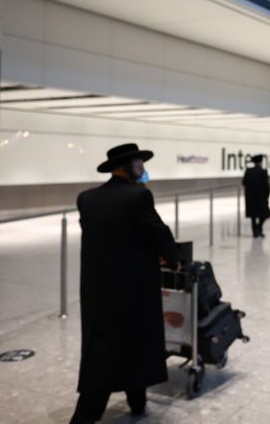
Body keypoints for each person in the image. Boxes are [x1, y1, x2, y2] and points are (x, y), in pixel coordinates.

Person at [71, 143, 180, 424]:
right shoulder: (138, 196)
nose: (142, 169)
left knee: (102, 345)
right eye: (139, 164)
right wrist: (174, 259)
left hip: (97, 290)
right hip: (134, 290)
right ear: (124, 167)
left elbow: (107, 237)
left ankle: (136, 401)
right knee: (135, 343)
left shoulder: (86, 199)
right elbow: (158, 233)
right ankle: (90, 414)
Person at [242, 154, 270, 238]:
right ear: (260, 162)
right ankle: (259, 228)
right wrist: (267, 196)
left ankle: (255, 231)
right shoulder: (263, 172)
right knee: (265, 214)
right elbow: (266, 186)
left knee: (253, 216)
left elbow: (244, 183)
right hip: (260, 197)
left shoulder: (248, 171)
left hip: (250, 197)